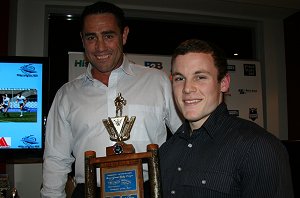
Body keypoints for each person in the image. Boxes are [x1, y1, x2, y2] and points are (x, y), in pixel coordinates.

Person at [40, 1, 182, 198]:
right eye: (91, 37)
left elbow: (187, 139)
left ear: (123, 35)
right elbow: (56, 160)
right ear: (82, 39)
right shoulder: (67, 94)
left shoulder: (157, 81)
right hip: (88, 191)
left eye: (108, 36)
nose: (100, 47)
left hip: (149, 190)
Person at [159, 39, 294, 198]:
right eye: (179, 78)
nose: (187, 88)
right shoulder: (166, 150)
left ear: (223, 83)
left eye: (200, 77)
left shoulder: (259, 147)